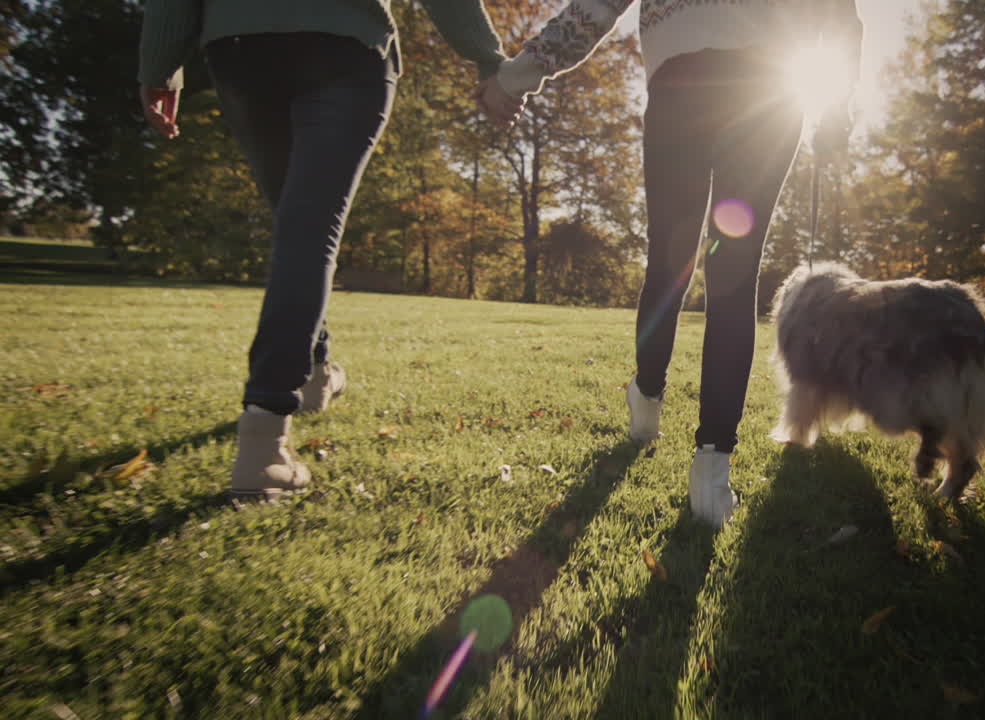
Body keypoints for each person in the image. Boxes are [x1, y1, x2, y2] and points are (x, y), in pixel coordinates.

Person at [477, 1, 863, 527]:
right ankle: (712, 471)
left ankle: (648, 397)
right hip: (769, 91)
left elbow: (591, 11)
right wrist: (837, 107)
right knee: (733, 278)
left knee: (669, 262)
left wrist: (515, 76)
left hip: (683, 83)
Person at [137, 1, 506, 500]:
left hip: (242, 47)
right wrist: (488, 58)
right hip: (343, 43)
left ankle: (315, 374)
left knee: (297, 222)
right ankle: (264, 435)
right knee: (308, 226)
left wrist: (159, 67)